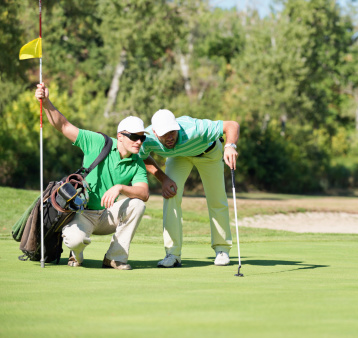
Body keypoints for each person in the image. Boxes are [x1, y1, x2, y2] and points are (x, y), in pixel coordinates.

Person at [35, 83, 149, 270]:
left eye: (142, 138)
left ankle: (114, 258)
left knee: (137, 204)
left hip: (107, 214)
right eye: (134, 137)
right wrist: (46, 102)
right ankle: (76, 255)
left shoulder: (137, 162)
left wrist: (120, 188)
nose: (138, 141)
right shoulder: (98, 142)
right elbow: (63, 126)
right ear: (120, 136)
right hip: (82, 213)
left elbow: (144, 193)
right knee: (75, 241)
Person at [140, 109, 239, 268]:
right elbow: (142, 157)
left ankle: (222, 250)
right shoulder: (146, 138)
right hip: (178, 157)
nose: (170, 137)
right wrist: (163, 179)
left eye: (173, 132)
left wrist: (230, 145)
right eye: (165, 134)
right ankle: (172, 253)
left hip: (208, 153)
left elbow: (231, 125)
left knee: (216, 198)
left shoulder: (194, 128)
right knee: (171, 195)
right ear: (154, 132)